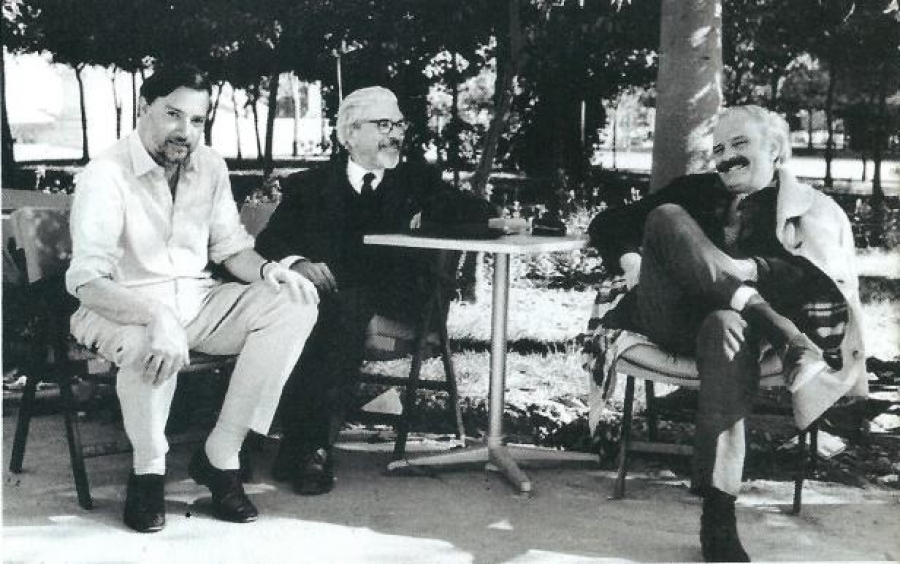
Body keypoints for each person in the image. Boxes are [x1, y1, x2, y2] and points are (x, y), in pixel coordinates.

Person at [588, 105, 866, 562]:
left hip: (732, 335)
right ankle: (781, 332)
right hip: (668, 316)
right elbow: (608, 222)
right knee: (666, 216)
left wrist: (751, 268)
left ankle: (718, 511)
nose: (726, 157)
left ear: (774, 149)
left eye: (740, 144)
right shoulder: (694, 191)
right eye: (718, 149)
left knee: (725, 326)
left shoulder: (809, 211)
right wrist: (631, 260)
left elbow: (815, 281)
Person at [65, 64, 319, 533]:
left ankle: (221, 455)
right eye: (173, 114)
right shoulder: (106, 174)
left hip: (198, 303)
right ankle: (148, 470)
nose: (185, 131)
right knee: (148, 342)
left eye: (197, 120)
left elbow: (231, 249)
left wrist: (271, 271)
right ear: (144, 108)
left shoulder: (210, 166)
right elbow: (86, 280)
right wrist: (155, 315)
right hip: (119, 305)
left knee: (294, 302)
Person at [255, 86, 456, 495]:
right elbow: (270, 242)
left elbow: (473, 212)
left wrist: (439, 217)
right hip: (329, 301)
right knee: (316, 309)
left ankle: (305, 445)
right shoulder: (309, 185)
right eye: (383, 124)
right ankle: (304, 445)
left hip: (398, 300)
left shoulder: (418, 180)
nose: (395, 134)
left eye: (399, 125)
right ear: (349, 133)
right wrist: (298, 263)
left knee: (334, 311)